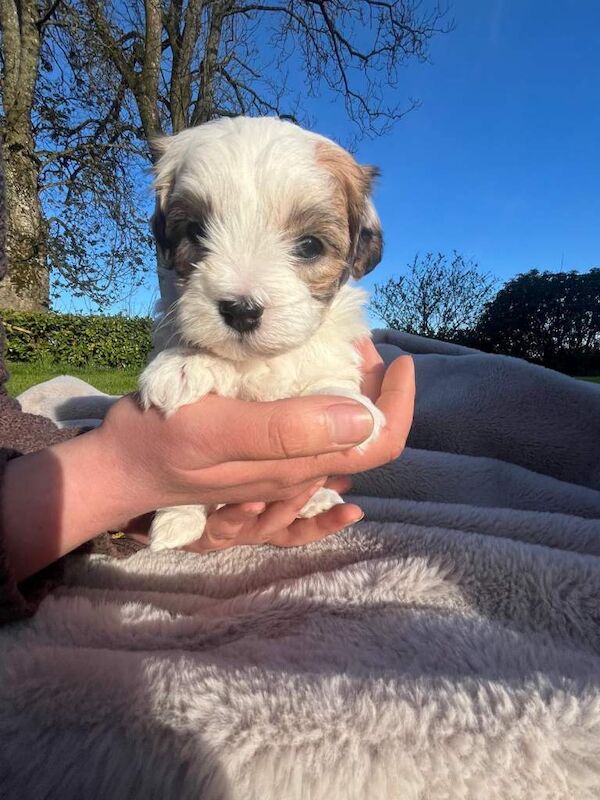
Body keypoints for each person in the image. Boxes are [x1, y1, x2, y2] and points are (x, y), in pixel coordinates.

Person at [0, 144, 415, 624]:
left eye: (307, 247)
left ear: (360, 243)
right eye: (197, 233)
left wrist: (338, 406)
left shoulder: (339, 331)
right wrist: (122, 480)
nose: (243, 295)